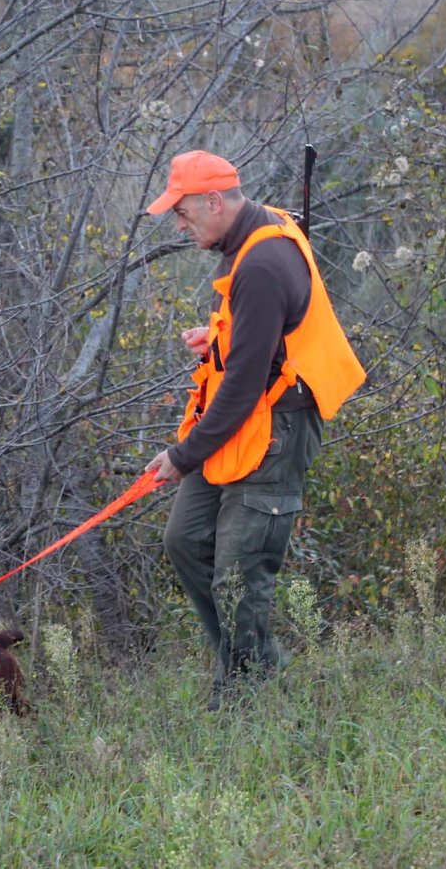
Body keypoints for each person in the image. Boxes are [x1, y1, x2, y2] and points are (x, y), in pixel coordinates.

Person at [143, 150, 365, 709]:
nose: (180, 224)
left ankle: (243, 704)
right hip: (245, 419)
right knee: (186, 541)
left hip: (277, 427)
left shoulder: (263, 264)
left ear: (215, 201)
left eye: (184, 212)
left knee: (239, 576)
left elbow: (244, 385)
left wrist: (182, 456)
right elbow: (258, 343)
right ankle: (254, 668)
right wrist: (220, 337)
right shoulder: (253, 234)